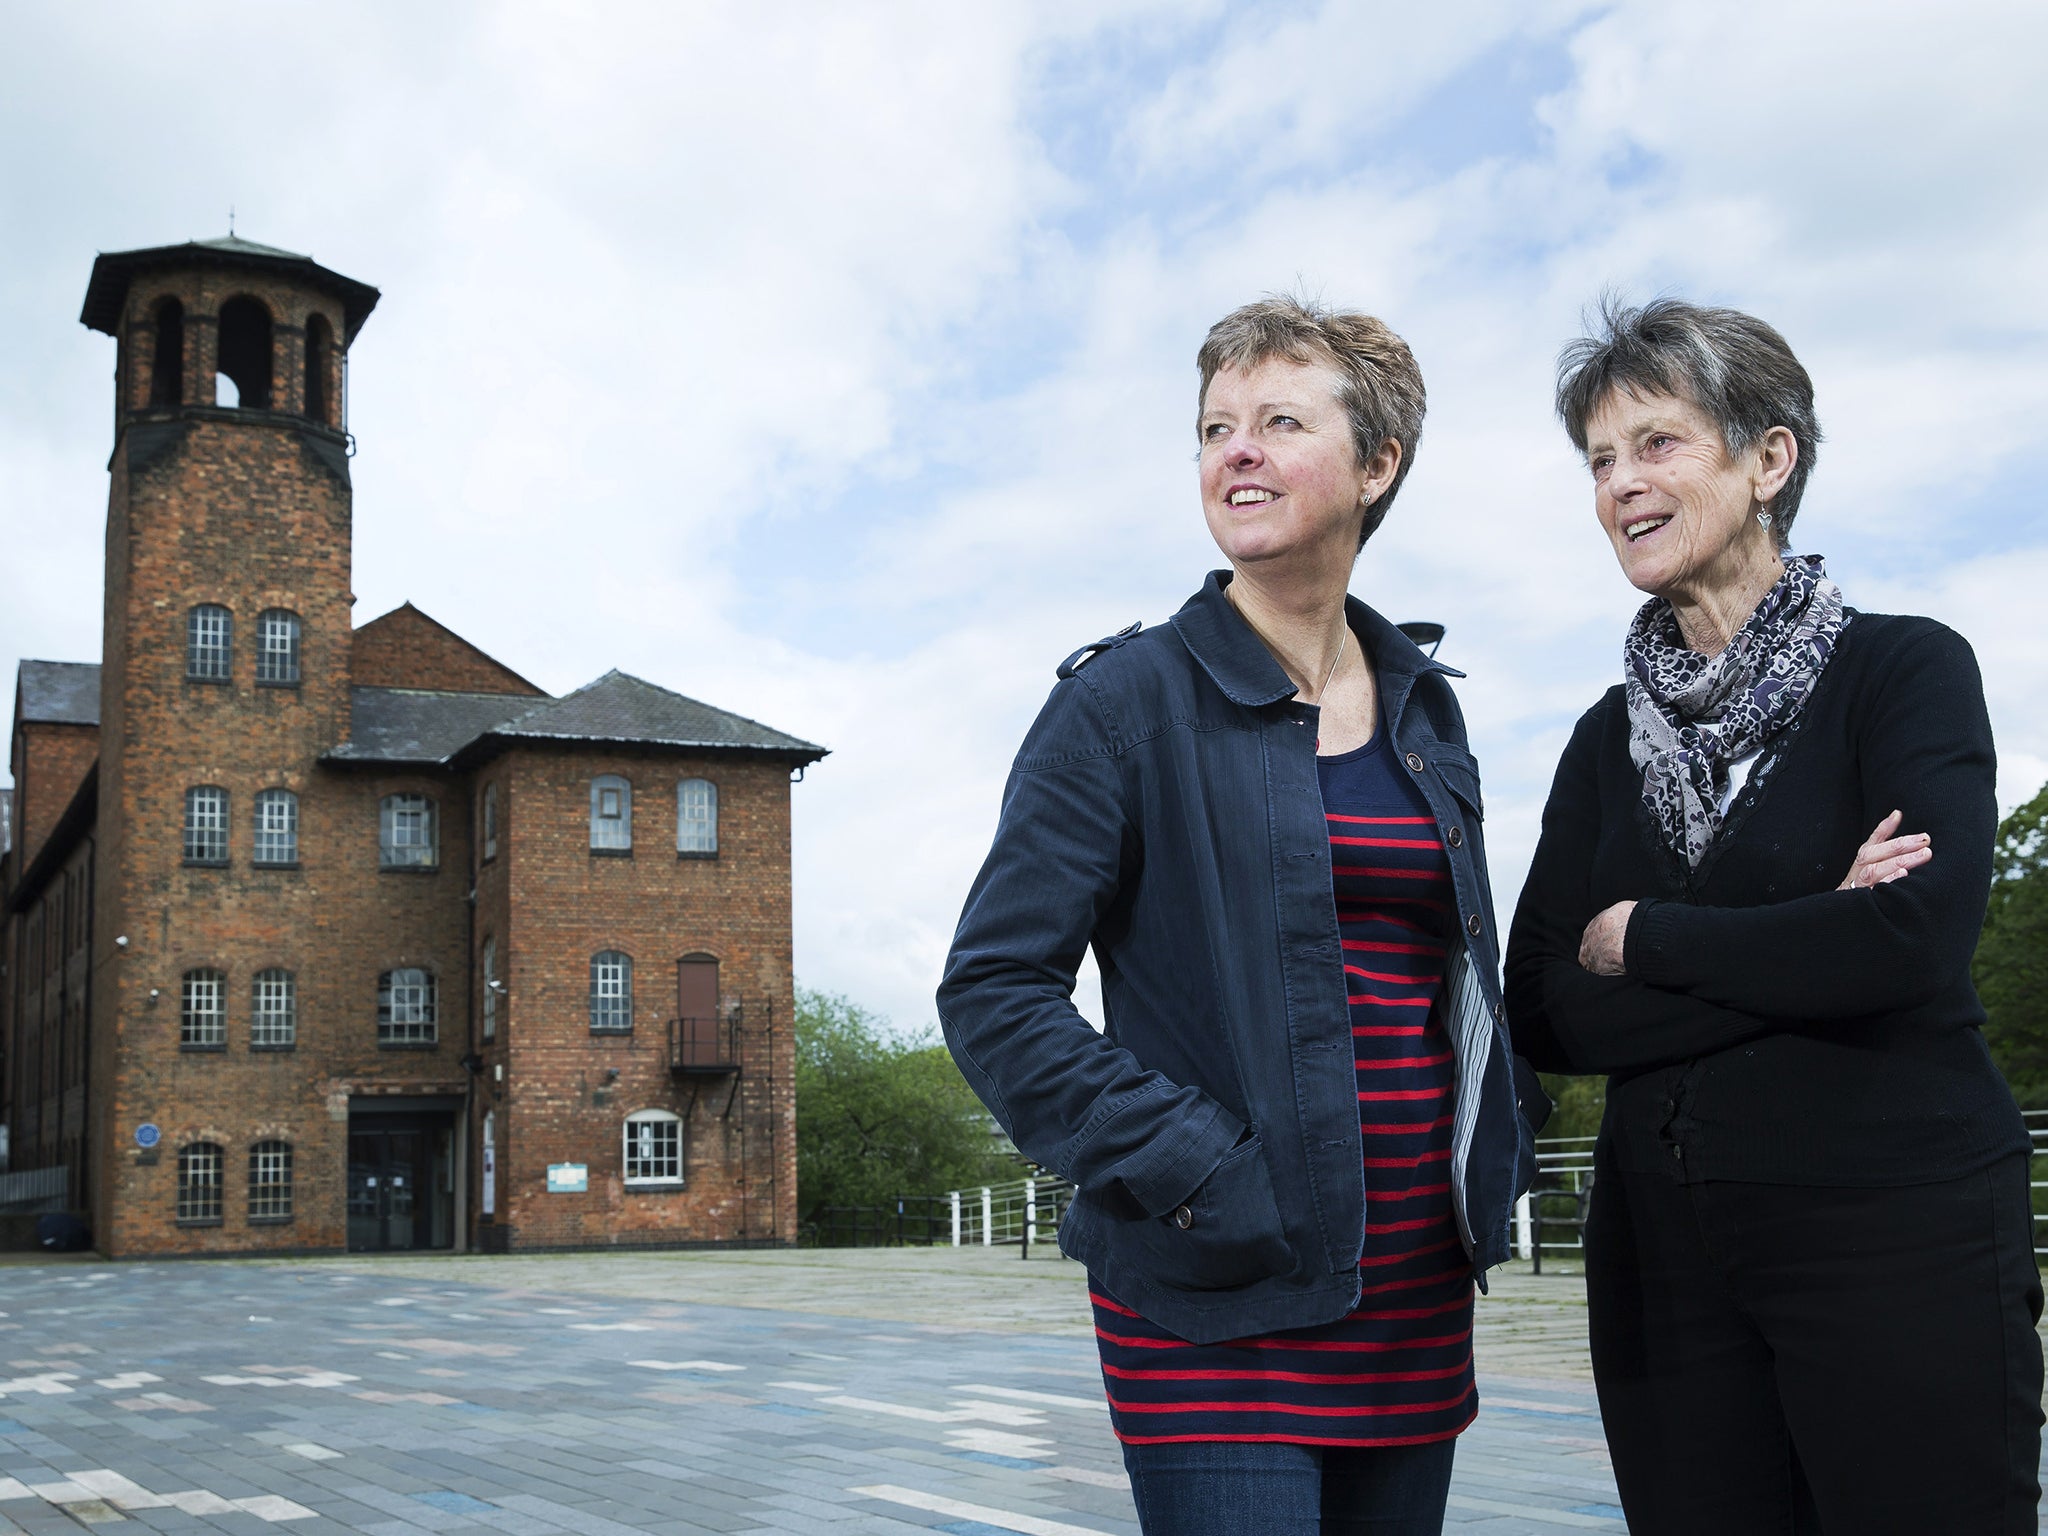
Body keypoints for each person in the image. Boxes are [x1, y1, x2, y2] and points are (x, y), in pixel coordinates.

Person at [938, 296, 1548, 1536]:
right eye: (1214, 427)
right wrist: (1192, 1169)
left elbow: (1455, 982)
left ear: (1377, 465)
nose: (1237, 451)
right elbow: (992, 991)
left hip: (1412, 1289)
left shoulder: (1428, 711)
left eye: (1278, 420)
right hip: (1216, 1281)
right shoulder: (1122, 703)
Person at [1504, 296, 2043, 1534]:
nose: (1619, 485)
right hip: (1663, 1265)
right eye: (1598, 460)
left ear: (1766, 459)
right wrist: (1812, 938)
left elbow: (1909, 942)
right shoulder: (1601, 743)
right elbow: (1537, 1002)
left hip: (1894, 1237)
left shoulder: (1903, 670)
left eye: (1655, 443)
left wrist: (1641, 937)